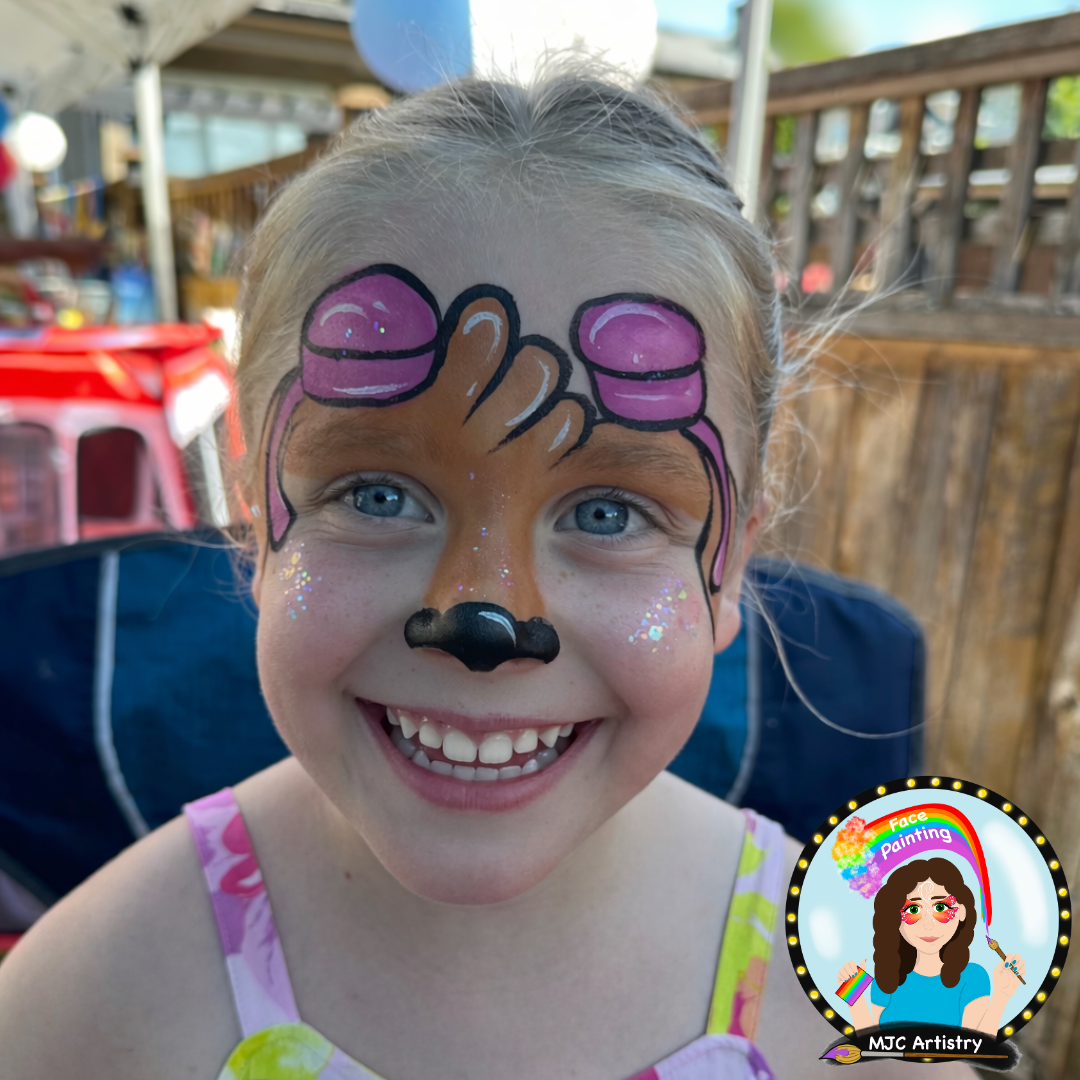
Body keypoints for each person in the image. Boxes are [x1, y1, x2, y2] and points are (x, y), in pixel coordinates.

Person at [0, 64, 972, 1079]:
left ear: (730, 567)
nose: (483, 623)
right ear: (258, 522)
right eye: (377, 495)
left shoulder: (862, 1005)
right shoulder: (95, 1005)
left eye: (608, 511)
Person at [838, 857, 1025, 1033]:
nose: (928, 924)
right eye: (913, 910)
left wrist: (1002, 995)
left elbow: (975, 1048)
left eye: (941, 908)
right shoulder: (886, 977)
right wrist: (854, 995)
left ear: (961, 912)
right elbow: (872, 1046)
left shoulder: (974, 978)